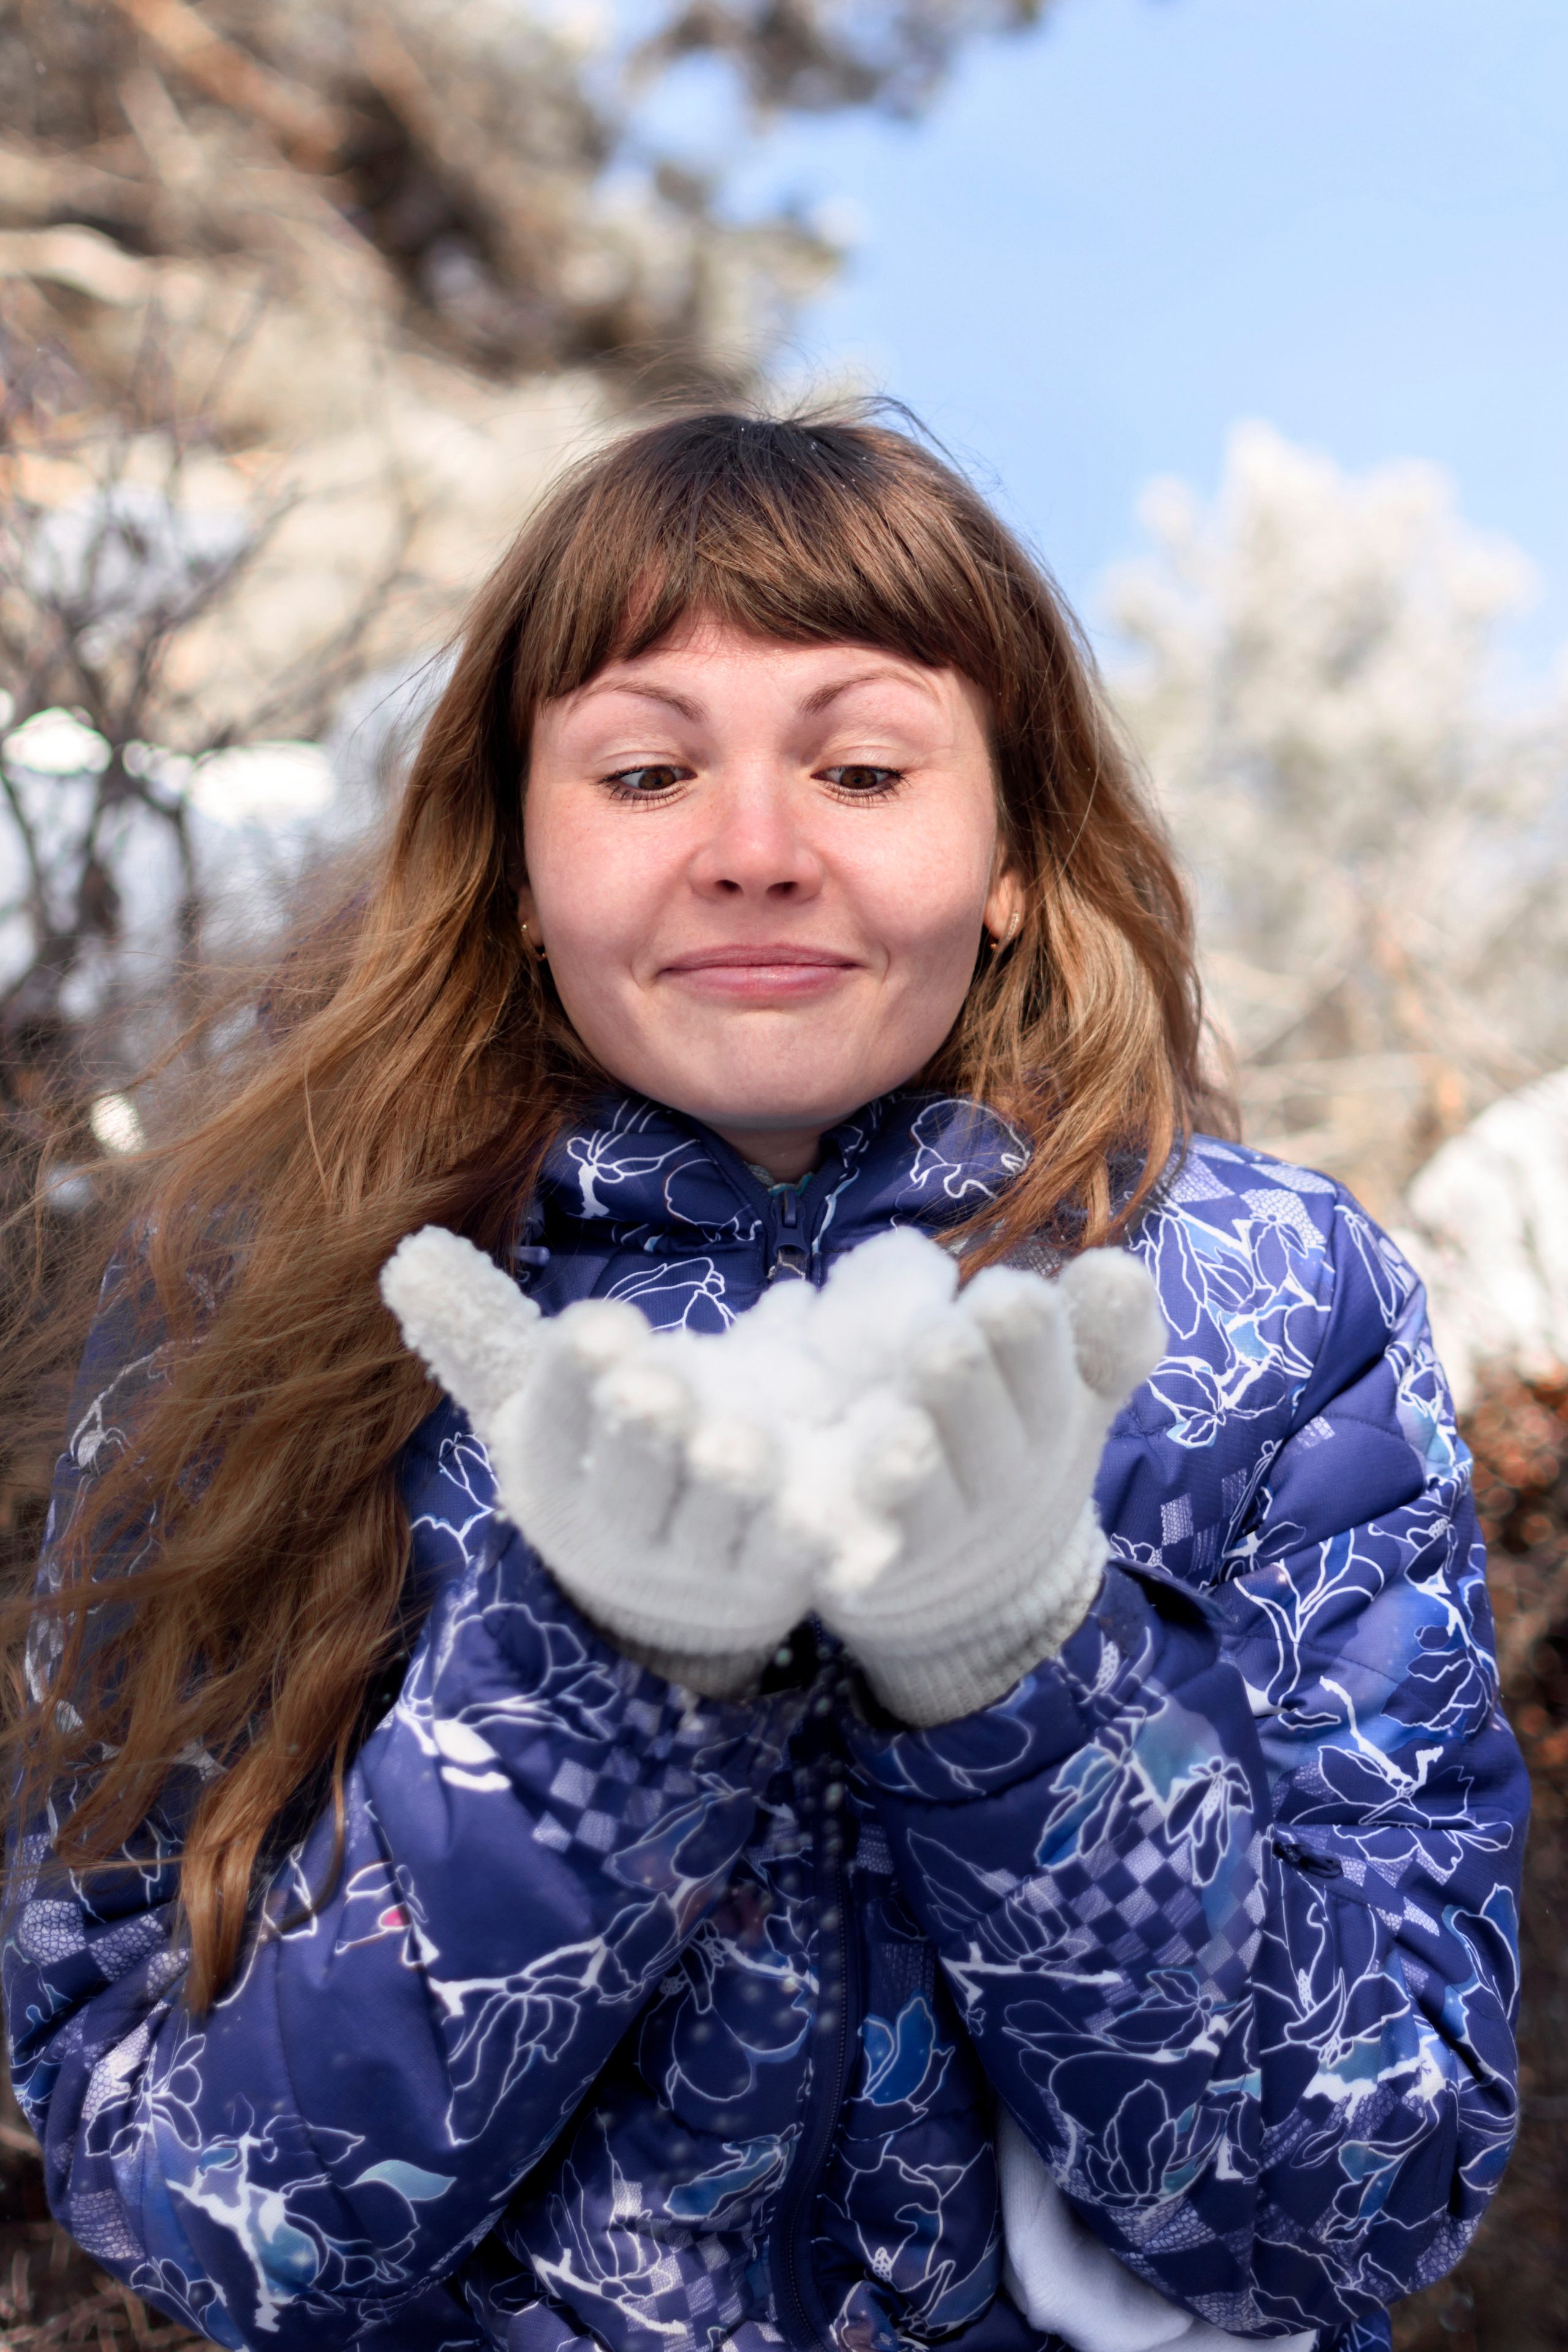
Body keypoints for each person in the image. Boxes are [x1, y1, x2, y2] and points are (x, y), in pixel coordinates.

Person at [2, 411, 1525, 2352]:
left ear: (1008, 850)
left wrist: (1019, 1679)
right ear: (515, 859)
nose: (752, 853)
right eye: (646, 771)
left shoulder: (1266, 1308)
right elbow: (202, 2230)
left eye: (864, 766)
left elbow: (1365, 2209)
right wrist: (593, 1705)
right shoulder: (263, 1306)